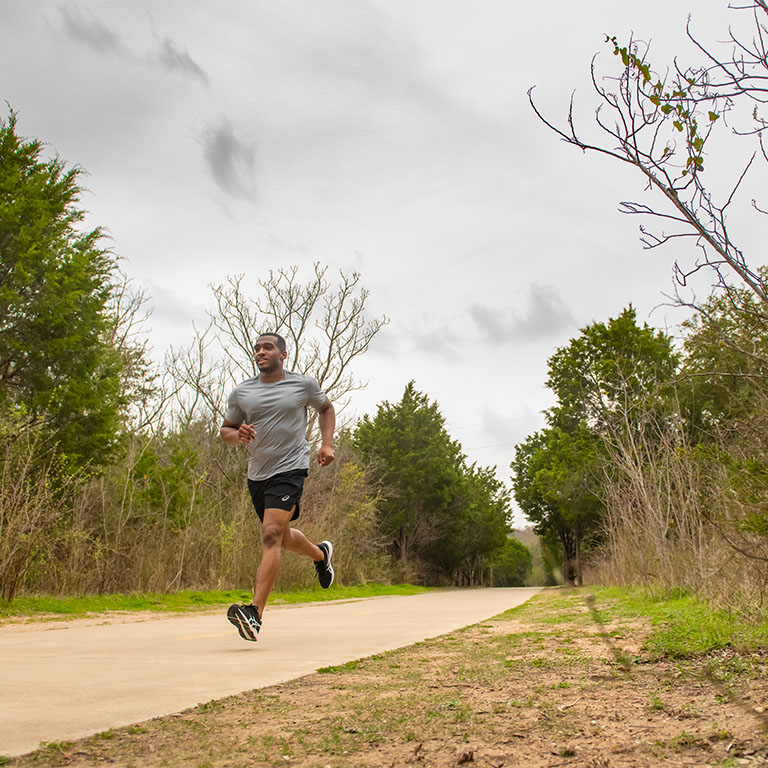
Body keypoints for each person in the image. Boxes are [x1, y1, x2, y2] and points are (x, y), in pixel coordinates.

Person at [221, 332, 336, 642]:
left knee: (270, 534)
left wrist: (326, 444)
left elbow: (326, 408)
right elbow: (226, 430)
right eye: (257, 348)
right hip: (257, 474)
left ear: (283, 354)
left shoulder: (303, 385)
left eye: (267, 347)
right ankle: (320, 555)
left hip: (291, 468)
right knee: (281, 537)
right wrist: (238, 434)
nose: (260, 352)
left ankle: (253, 614)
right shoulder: (242, 393)